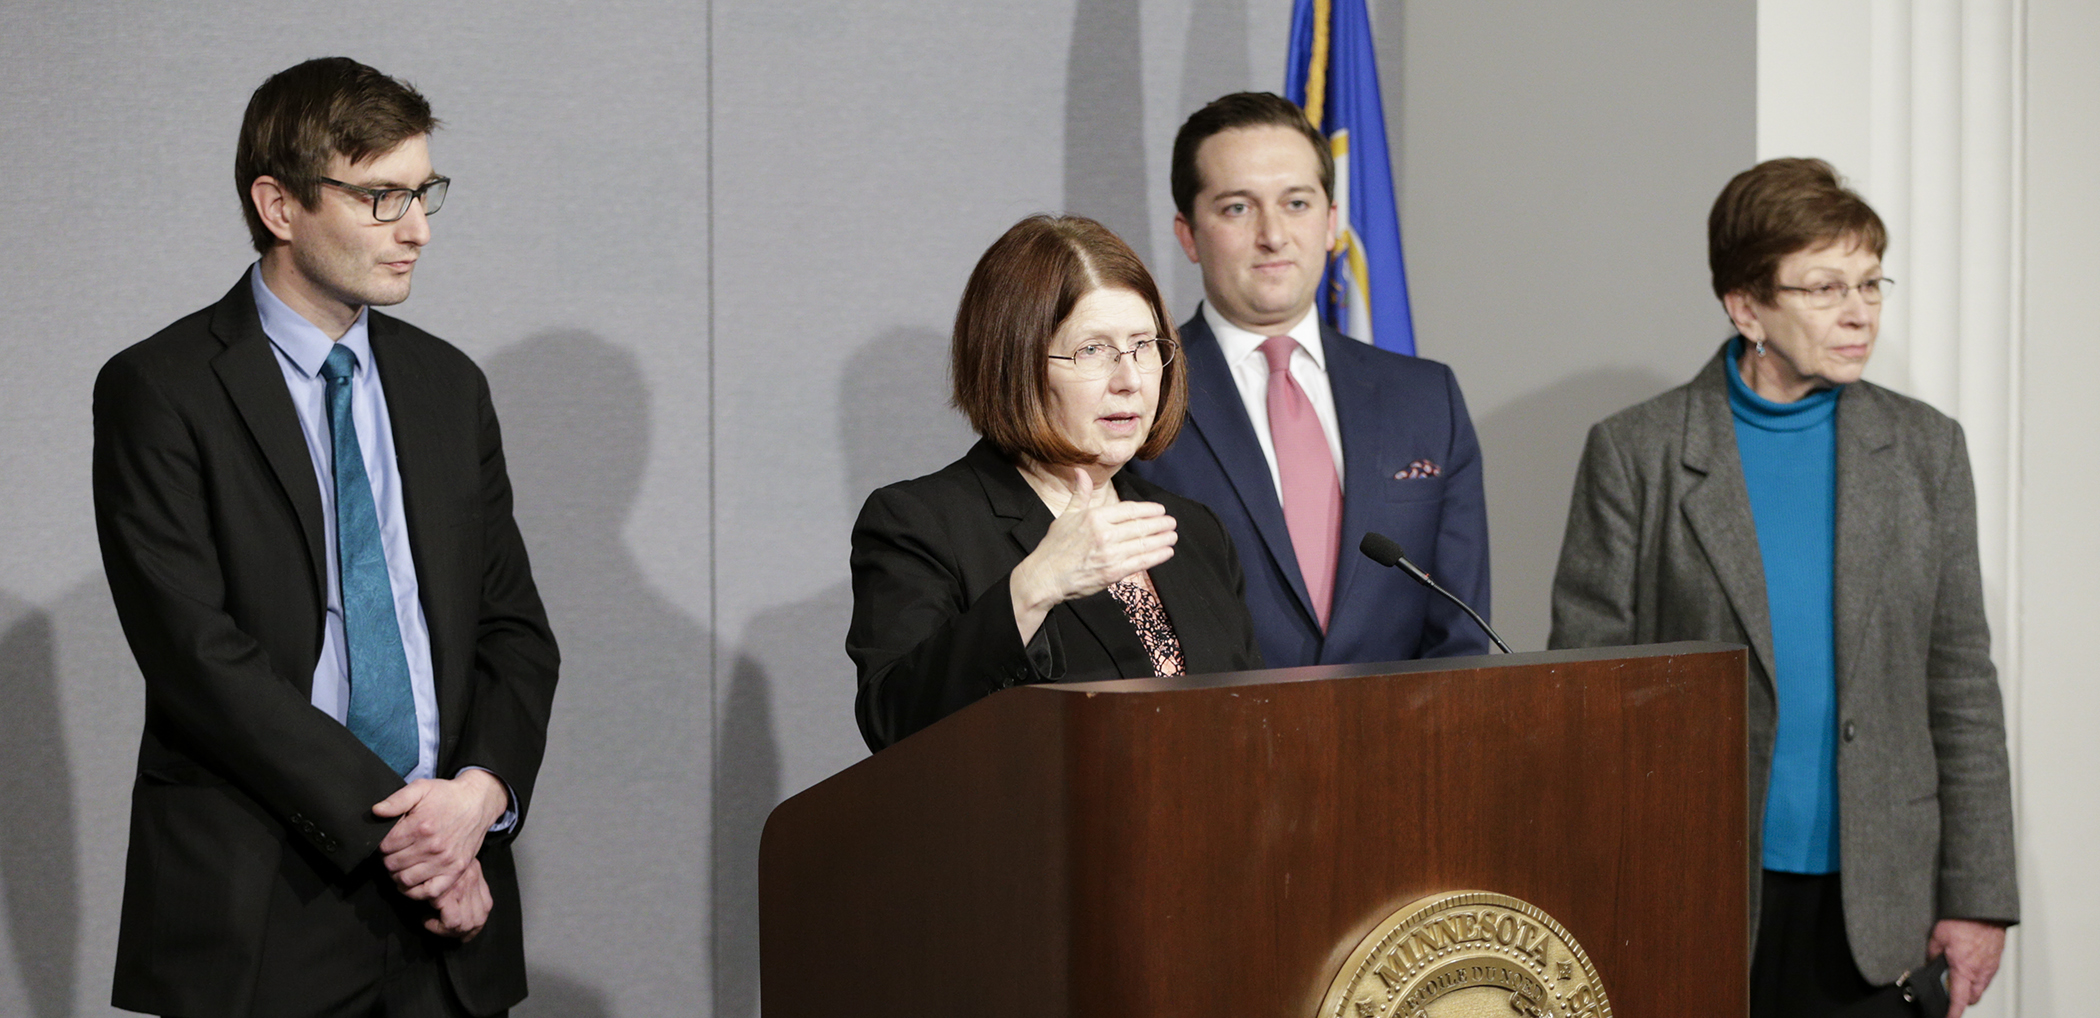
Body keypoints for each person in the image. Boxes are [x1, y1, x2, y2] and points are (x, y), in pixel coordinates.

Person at [93, 57, 559, 1017]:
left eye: (424, 192)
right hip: (265, 899)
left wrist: (476, 797)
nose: (418, 230)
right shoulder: (162, 387)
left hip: (450, 909)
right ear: (278, 204)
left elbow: (513, 630)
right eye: (381, 197)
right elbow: (197, 658)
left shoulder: (447, 386)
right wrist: (408, 833)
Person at [1548, 158, 2016, 1018]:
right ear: (1746, 305)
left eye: (1872, 283)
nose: (1859, 313)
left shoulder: (1925, 450)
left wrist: (1979, 897)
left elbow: (1961, 681)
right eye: (1825, 288)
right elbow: (1589, 696)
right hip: (1698, 890)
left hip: (1881, 902)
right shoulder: (1637, 452)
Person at [849, 215, 1264, 751]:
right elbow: (895, 722)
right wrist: (1034, 587)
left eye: (1143, 345)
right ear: (1014, 365)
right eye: (1093, 350)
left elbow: (1255, 725)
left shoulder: (1194, 530)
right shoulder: (921, 523)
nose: (1130, 380)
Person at [1130, 92, 1491, 668]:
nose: (1273, 234)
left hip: (1403, 746)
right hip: (1206, 745)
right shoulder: (1140, 395)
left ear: (1331, 221)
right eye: (1237, 209)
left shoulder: (1426, 399)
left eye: (1296, 203)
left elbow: (1461, 639)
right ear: (1188, 235)